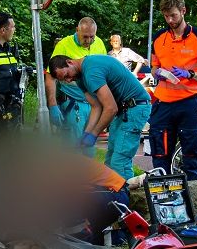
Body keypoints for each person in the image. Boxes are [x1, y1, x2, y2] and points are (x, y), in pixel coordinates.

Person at [49, 50, 150, 181]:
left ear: (69, 62)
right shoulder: (80, 78)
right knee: (110, 159)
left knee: (119, 161)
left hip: (135, 107)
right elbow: (96, 106)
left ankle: (126, 197)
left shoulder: (91, 71)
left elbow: (110, 108)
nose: (69, 80)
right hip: (124, 109)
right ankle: (112, 196)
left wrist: (94, 134)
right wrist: (86, 133)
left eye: (67, 75)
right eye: (64, 80)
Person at [146, 0, 197, 180]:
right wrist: (157, 73)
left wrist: (190, 74)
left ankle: (193, 203)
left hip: (190, 104)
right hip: (163, 104)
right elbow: (154, 68)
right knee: (159, 157)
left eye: (173, 15)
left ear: (183, 11)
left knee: (191, 157)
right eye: (166, 16)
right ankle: (162, 201)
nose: (170, 20)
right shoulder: (159, 37)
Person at [49, 17, 107, 143]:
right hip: (73, 105)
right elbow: (50, 75)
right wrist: (53, 105)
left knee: (88, 148)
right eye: (85, 36)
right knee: (72, 149)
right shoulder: (63, 45)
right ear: (77, 30)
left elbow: (104, 73)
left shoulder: (99, 43)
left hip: (94, 106)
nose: (89, 40)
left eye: (92, 37)